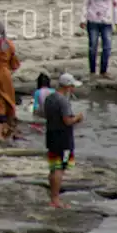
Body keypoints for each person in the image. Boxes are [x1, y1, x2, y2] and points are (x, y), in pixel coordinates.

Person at [45, 73, 84, 208]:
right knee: (59, 168)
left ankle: (52, 197)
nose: (73, 89)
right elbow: (67, 121)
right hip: (63, 138)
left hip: (51, 135)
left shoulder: (50, 98)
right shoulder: (63, 101)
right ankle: (55, 199)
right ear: (68, 87)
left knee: (53, 167)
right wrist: (78, 118)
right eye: (72, 86)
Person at [80, 0, 117, 77]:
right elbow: (85, 3)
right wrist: (83, 19)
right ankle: (92, 71)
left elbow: (115, 7)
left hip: (107, 22)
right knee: (93, 46)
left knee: (107, 47)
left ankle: (103, 70)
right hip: (92, 20)